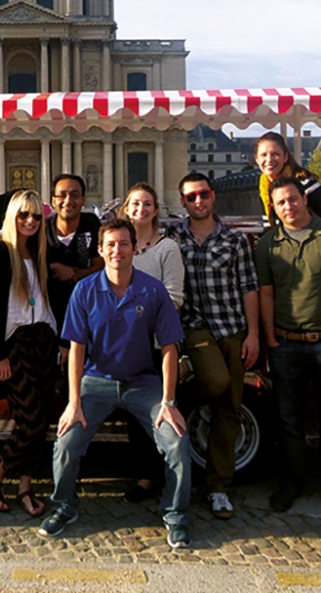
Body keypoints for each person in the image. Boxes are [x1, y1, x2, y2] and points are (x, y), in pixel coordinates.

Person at [38, 219, 193, 550]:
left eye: (124, 244)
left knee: (177, 442)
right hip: (97, 381)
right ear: (100, 249)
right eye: (110, 244)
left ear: (135, 248)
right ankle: (65, 506)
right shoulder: (85, 290)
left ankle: (176, 514)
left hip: (143, 383)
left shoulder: (153, 291)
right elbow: (76, 349)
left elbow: (169, 349)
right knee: (65, 443)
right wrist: (74, 401)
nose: (117, 250)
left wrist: (168, 401)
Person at [256, 176, 321, 516]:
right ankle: (292, 484)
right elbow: (266, 293)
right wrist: (270, 335)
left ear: (304, 199)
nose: (288, 206)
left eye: (293, 199)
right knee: (289, 420)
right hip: (285, 342)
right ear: (274, 207)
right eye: (281, 202)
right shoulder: (268, 243)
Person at [166, 172, 259, 520]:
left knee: (229, 410)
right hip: (194, 327)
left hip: (232, 328)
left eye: (203, 194)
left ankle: (218, 487)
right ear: (183, 202)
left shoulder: (234, 240)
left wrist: (252, 334)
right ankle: (188, 396)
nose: (198, 201)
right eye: (191, 197)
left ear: (213, 195)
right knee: (218, 382)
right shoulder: (173, 237)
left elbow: (248, 287)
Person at [0, 190, 58, 515]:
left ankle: (26, 486)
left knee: (43, 419)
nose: (30, 221)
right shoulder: (1, 254)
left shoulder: (40, 251)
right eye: (24, 215)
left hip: (45, 339)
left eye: (36, 216)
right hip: (17, 342)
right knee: (31, 420)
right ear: (13, 216)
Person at [119, 183, 185, 504]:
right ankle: (146, 476)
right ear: (126, 208)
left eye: (147, 204)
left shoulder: (167, 248)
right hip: (128, 342)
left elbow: (174, 297)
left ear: (155, 210)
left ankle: (172, 475)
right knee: (135, 412)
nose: (140, 209)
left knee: (161, 409)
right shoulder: (121, 245)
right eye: (135, 204)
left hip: (158, 342)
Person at [255, 131, 321, 251]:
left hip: (314, 242)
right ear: (257, 159)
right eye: (264, 155)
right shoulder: (264, 185)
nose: (269, 160)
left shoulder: (303, 181)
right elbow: (269, 221)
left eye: (275, 154)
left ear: (285, 157)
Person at [45, 174, 104, 344]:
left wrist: (72, 274)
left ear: (83, 200)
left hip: (87, 309)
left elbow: (100, 266)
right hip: (51, 311)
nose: (68, 200)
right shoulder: (42, 230)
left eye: (75, 195)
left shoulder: (92, 225)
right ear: (53, 200)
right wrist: (55, 266)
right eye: (62, 195)